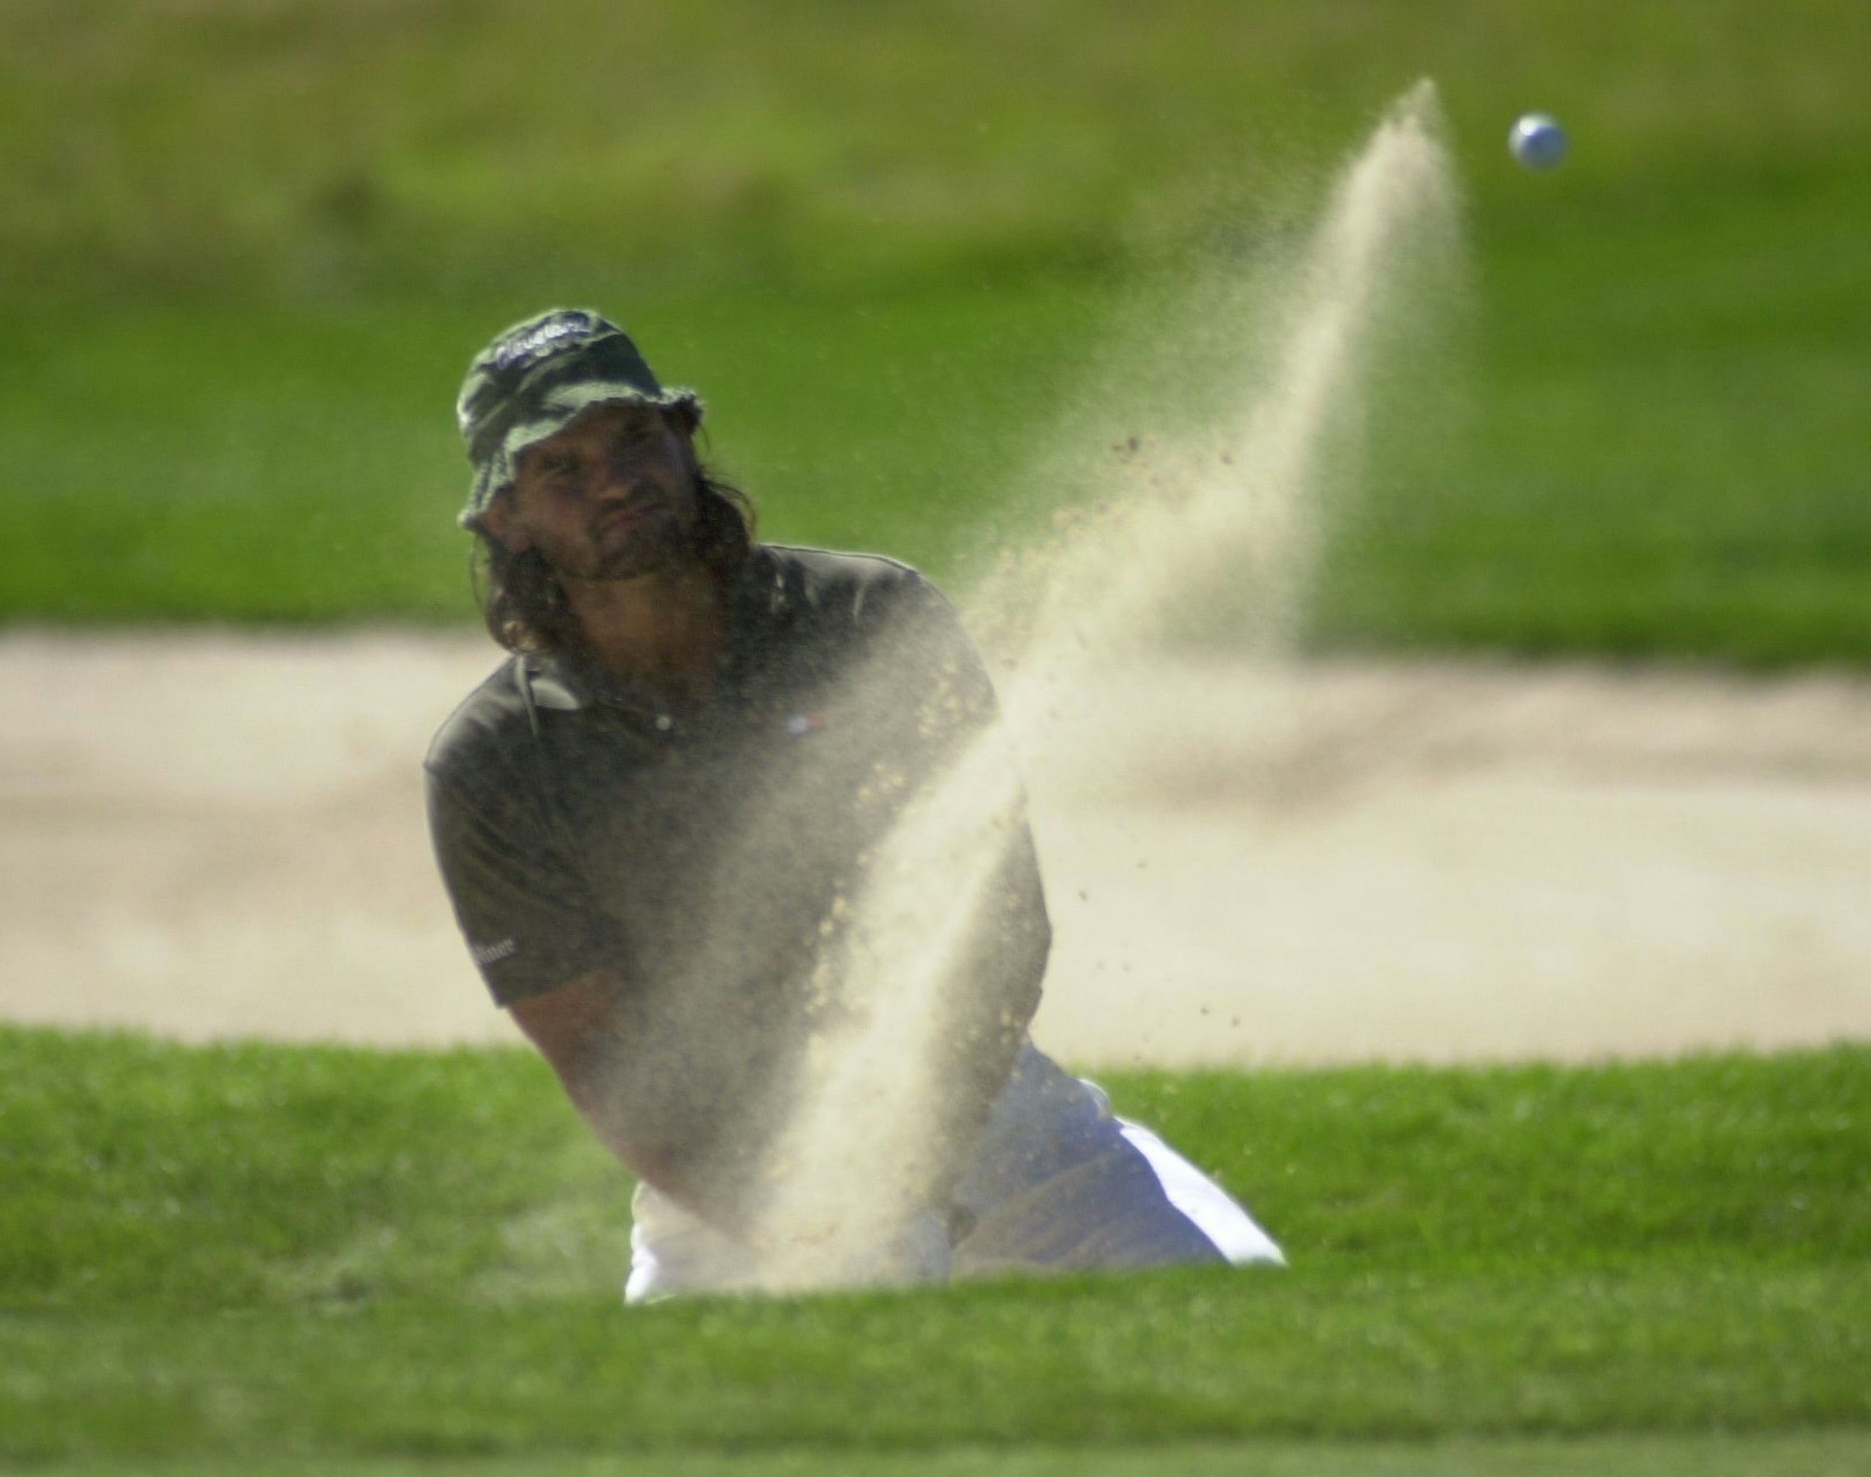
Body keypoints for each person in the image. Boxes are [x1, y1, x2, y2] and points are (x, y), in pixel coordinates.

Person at [425, 309, 1282, 1302]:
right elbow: (607, 1062)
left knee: (1239, 1304)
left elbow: (999, 922)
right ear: (504, 519)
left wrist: (912, 1173)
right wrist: (822, 1220)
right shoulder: (494, 764)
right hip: (725, 1188)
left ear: (682, 439)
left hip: (993, 1119)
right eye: (560, 471)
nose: (613, 479)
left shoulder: (867, 618)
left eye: (632, 439)